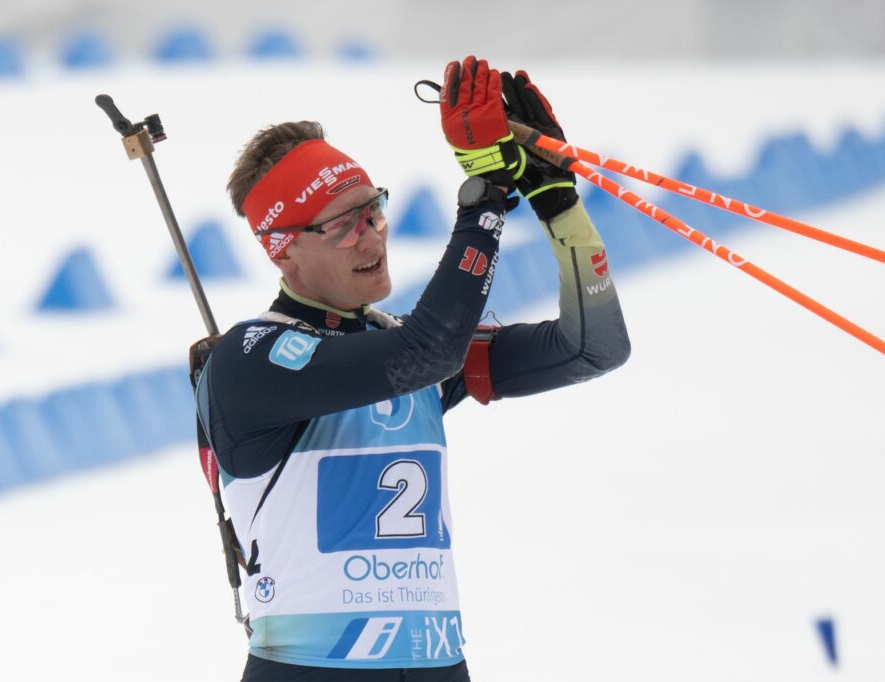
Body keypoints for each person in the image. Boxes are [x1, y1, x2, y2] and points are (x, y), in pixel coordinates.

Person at [195, 56, 630, 681]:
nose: (371, 237)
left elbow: (593, 348)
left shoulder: (398, 346)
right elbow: (426, 352)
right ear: (282, 249)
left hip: (438, 667)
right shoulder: (253, 358)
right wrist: (484, 196)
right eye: (342, 227)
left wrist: (555, 201)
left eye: (374, 210)